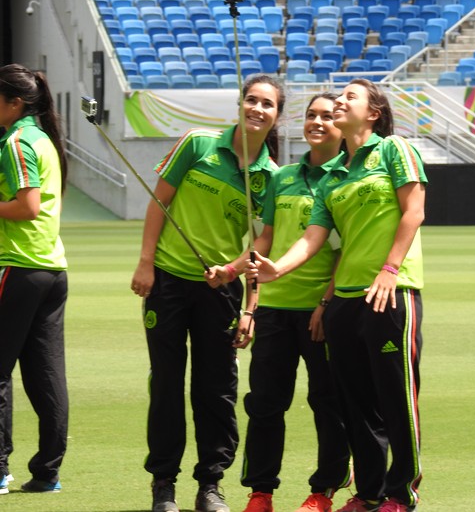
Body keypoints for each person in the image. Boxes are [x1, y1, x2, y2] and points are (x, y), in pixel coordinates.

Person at [246, 79, 427, 512]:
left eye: (349, 97)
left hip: (391, 291)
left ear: (374, 112)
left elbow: (414, 211)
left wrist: (388, 269)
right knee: (356, 406)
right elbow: (312, 239)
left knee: (396, 398)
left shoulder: (394, 150)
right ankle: (367, 494)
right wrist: (276, 268)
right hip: (346, 301)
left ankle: (401, 493)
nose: (339, 102)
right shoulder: (335, 176)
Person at [130, 75, 285, 512]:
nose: (256, 109)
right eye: (250, 100)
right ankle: (164, 484)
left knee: (215, 391)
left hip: (221, 292)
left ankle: (210, 485)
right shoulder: (197, 144)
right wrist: (145, 263)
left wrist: (250, 309)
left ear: (277, 115)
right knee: (165, 384)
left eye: (267, 104)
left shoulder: (270, 177)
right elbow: (158, 201)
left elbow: (260, 248)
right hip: (167, 281)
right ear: (239, 105)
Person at [206, 93, 352, 512]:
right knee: (266, 403)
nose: (318, 122)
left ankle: (323, 490)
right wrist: (250, 305)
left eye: (327, 116)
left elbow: (347, 252)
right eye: (310, 115)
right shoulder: (282, 177)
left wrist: (326, 302)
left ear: (341, 125)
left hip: (321, 310)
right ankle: (260, 491)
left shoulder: (345, 177)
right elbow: (264, 242)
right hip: (274, 310)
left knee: (327, 402)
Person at [0, 63, 69, 495]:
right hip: (50, 268)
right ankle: (47, 472)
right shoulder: (41, 138)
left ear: (14, 102)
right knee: (45, 375)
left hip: (18, 265)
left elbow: (26, 206)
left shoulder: (18, 141)